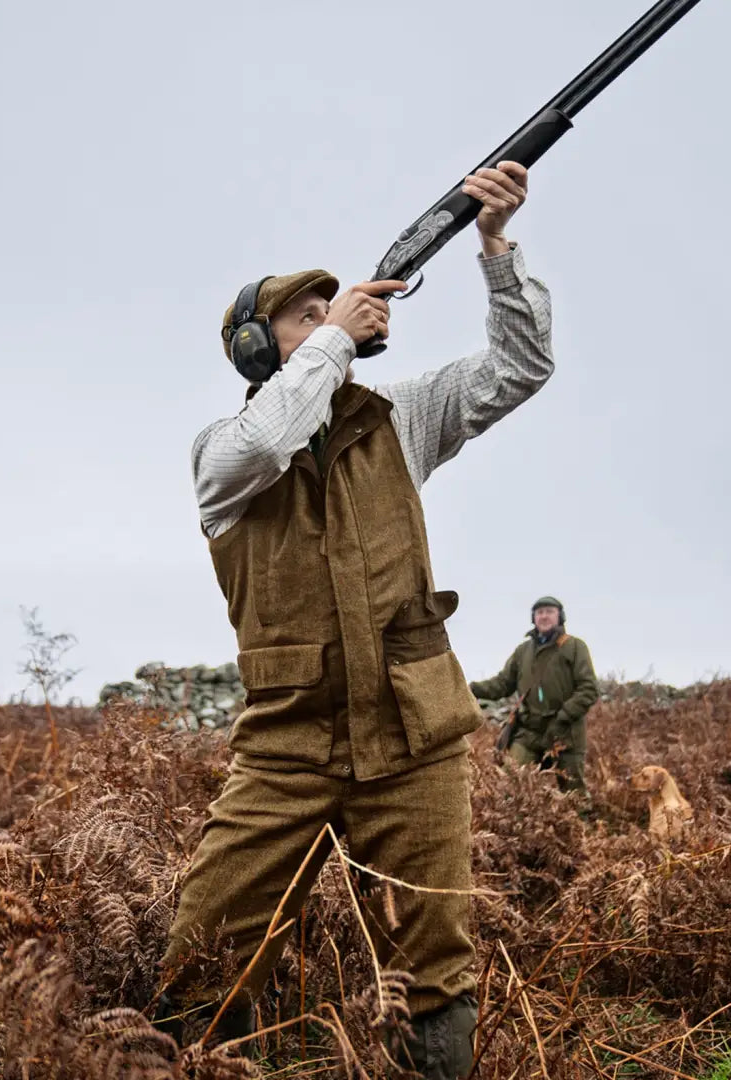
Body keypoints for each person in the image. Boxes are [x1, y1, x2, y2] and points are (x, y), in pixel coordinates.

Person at [158, 160, 554, 1079]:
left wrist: (495, 247)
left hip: (414, 738)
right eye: (307, 315)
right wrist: (331, 342)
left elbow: (521, 366)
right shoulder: (222, 455)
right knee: (204, 950)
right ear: (261, 349)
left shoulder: (401, 418)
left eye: (334, 309)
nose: (334, 318)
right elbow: (267, 437)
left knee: (435, 967)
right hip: (284, 747)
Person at [468, 596, 599, 798]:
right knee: (510, 783)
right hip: (529, 732)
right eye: (539, 612)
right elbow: (502, 684)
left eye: (549, 611)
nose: (544, 616)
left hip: (565, 733)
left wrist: (563, 717)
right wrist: (471, 688)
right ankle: (514, 827)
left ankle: (583, 827)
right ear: (533, 618)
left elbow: (589, 689)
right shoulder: (523, 651)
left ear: (560, 616)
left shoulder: (575, 647)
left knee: (574, 794)